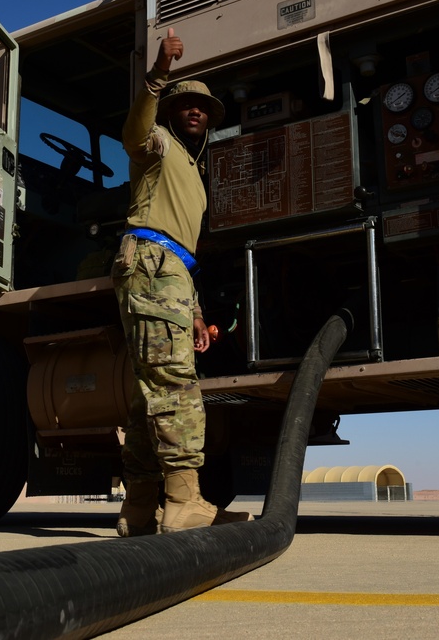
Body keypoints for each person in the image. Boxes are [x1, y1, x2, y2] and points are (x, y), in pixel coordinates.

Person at [111, 28, 252, 535]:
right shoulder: (157, 146)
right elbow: (133, 131)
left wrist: (192, 310)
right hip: (151, 264)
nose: (195, 110)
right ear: (171, 110)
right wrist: (158, 75)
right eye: (185, 102)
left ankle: (139, 507)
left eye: (203, 107)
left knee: (147, 394)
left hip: (169, 271)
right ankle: (185, 502)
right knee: (176, 385)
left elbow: (181, 252)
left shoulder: (193, 170)